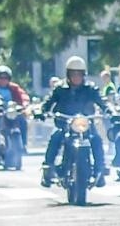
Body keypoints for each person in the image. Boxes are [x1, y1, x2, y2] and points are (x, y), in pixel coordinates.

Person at [38, 55, 109, 188]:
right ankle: (47, 169)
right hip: (64, 124)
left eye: (79, 74)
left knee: (96, 139)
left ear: (84, 75)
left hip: (85, 125)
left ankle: (100, 169)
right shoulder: (60, 88)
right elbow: (48, 102)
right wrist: (42, 111)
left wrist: (110, 111)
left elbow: (103, 102)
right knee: (55, 137)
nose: (76, 77)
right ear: (68, 74)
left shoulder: (91, 88)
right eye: (73, 74)